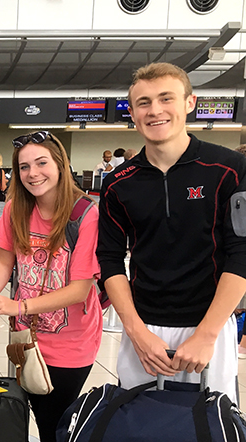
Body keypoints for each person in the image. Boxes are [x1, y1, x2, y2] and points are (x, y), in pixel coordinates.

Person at [0, 130, 101, 442]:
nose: (33, 173)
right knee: (33, 420)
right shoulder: (14, 210)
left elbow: (80, 288)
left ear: (60, 164)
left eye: (42, 162)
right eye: (24, 166)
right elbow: (4, 263)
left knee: (54, 426)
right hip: (25, 339)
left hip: (71, 339)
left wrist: (19, 305)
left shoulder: (85, 214)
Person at [97, 62, 246, 402]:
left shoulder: (230, 170)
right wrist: (135, 333)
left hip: (208, 326)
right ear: (132, 113)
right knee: (141, 438)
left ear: (189, 102)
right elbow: (109, 259)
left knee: (206, 437)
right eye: (144, 103)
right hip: (143, 329)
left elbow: (241, 253)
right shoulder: (118, 184)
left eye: (166, 98)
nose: (155, 110)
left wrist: (206, 335)